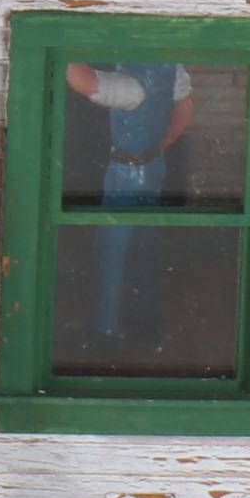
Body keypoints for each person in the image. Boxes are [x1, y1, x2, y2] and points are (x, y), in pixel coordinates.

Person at [64, 60, 193, 345]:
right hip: (154, 166)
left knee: (111, 251)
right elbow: (184, 110)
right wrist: (165, 142)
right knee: (146, 246)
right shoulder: (172, 70)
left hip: (125, 173)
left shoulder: (132, 87)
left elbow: (82, 80)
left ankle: (104, 330)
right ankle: (147, 322)